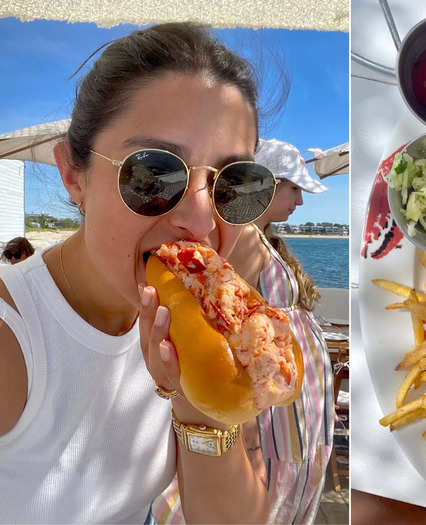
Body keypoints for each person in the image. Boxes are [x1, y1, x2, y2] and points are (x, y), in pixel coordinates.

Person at [0, 23, 319, 524]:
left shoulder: (213, 334)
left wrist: (193, 400)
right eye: (154, 173)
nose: (199, 219)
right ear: (72, 174)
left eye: (234, 183)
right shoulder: (11, 340)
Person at [224, 138, 335, 523]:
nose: (300, 202)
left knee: (290, 483)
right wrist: (251, 435)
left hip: (293, 405)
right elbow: (234, 330)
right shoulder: (243, 238)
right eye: (294, 189)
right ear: (266, 184)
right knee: (275, 496)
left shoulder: (258, 238)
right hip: (277, 409)